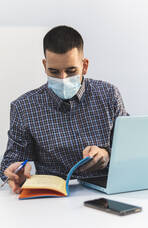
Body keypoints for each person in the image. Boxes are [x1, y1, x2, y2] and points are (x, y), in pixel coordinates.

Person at [0, 25, 128, 194]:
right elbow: (11, 161)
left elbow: (128, 148)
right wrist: (14, 171)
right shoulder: (24, 107)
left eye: (71, 71)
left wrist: (106, 154)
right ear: (45, 66)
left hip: (106, 191)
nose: (63, 78)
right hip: (53, 199)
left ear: (84, 66)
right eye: (54, 71)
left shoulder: (109, 95)